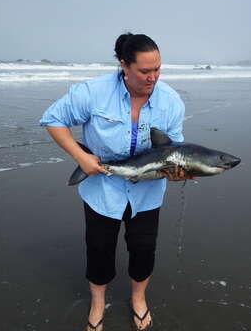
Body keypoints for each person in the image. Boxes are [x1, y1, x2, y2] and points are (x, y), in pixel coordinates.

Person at [39, 33, 187, 331]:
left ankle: (138, 299)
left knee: (144, 250)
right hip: (101, 189)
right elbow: (53, 120)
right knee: (99, 249)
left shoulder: (171, 102)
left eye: (158, 69)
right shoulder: (93, 93)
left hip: (147, 193)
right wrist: (81, 158)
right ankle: (97, 303)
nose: (153, 77)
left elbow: (174, 147)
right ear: (124, 65)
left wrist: (177, 171)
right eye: (145, 71)